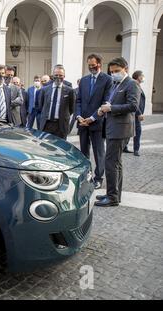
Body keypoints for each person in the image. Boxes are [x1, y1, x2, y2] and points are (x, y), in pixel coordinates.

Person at [95, 57, 140, 207]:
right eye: (112, 71)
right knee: (116, 163)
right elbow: (114, 102)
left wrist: (111, 108)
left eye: (116, 71)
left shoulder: (132, 84)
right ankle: (114, 194)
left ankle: (112, 197)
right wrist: (105, 108)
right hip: (113, 126)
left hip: (120, 129)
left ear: (125, 68)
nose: (113, 74)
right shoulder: (117, 83)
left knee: (110, 162)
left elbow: (133, 106)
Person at [75, 54, 113, 189]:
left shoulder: (108, 80)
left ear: (99, 64)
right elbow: (78, 100)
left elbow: (106, 102)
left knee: (98, 153)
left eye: (93, 65)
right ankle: (87, 175)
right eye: (89, 65)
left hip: (97, 123)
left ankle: (98, 178)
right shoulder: (84, 80)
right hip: (82, 123)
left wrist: (92, 118)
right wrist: (79, 116)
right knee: (84, 151)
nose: (91, 67)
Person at [38, 65, 75, 140]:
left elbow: (72, 108)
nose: (58, 77)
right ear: (52, 76)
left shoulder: (70, 91)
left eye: (60, 75)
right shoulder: (44, 90)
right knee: (45, 147)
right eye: (56, 75)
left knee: (60, 149)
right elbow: (41, 106)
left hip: (61, 125)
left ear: (64, 76)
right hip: (46, 124)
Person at [123, 70, 146, 156]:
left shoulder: (137, 85)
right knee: (137, 131)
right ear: (138, 76)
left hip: (135, 113)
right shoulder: (134, 85)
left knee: (130, 131)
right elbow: (134, 102)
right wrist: (139, 113)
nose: (143, 77)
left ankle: (124, 147)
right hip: (135, 113)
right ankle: (136, 150)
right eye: (142, 75)